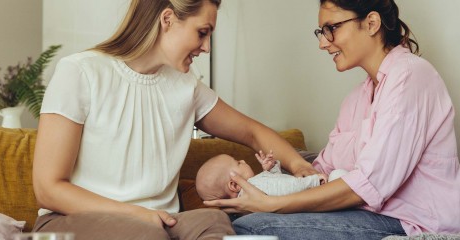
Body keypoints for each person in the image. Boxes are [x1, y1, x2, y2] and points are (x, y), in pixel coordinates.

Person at [31, 0, 318, 239]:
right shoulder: (80, 72)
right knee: (145, 234)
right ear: (167, 19)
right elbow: (48, 189)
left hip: (158, 223)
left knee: (213, 223)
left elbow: (253, 132)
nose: (206, 47)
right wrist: (137, 214)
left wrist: (298, 165)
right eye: (202, 32)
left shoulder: (185, 86)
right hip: (69, 220)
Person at [204, 0, 460, 239]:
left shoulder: (411, 76)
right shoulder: (357, 98)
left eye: (332, 28)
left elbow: (367, 187)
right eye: (321, 32)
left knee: (253, 227)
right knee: (229, 218)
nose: (323, 42)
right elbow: (323, 170)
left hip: (410, 223)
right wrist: (275, 182)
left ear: (372, 23)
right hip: (365, 213)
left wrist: (271, 205)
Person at [196, 150, 338, 201]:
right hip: (314, 190)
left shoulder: (252, 191)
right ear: (234, 185)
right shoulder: (256, 186)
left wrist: (271, 169)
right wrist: (314, 181)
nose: (243, 161)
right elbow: (288, 187)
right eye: (238, 163)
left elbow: (276, 184)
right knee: (339, 175)